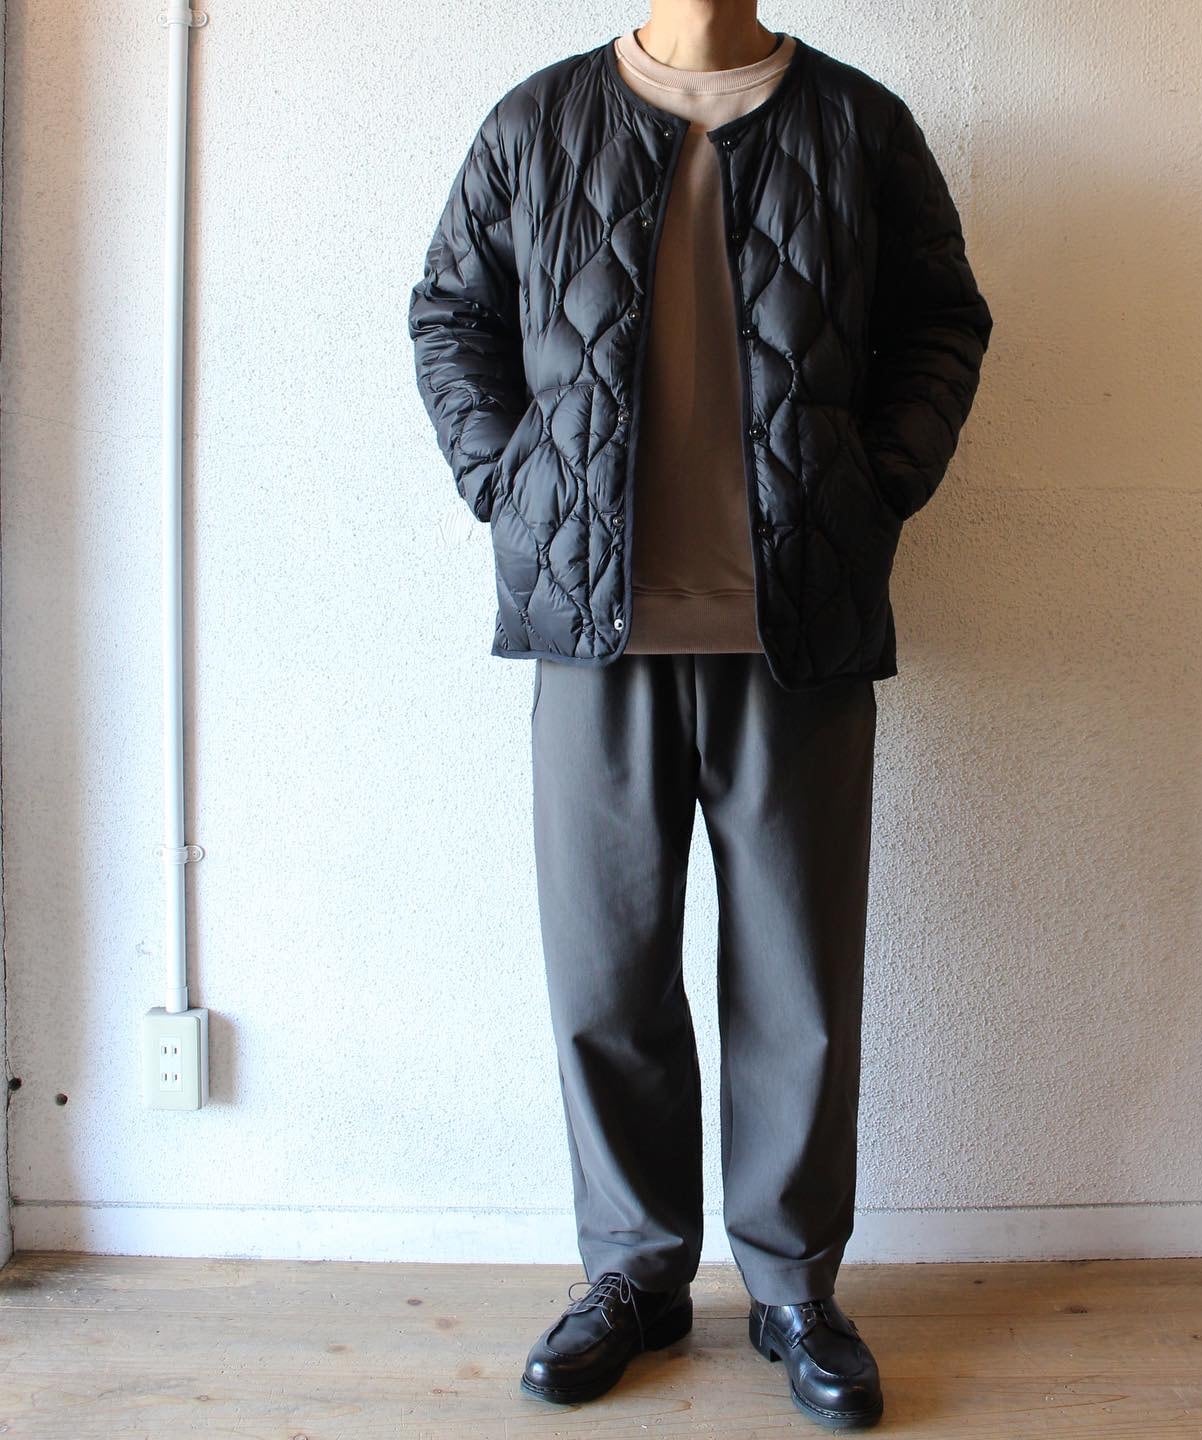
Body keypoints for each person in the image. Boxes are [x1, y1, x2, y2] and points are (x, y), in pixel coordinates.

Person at [408, 6, 992, 1429]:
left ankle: (794, 1288)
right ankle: (633, 1274)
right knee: (604, 974)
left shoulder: (858, 124)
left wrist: (874, 485)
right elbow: (450, 314)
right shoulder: (539, 122)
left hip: (796, 625)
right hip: (592, 628)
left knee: (800, 985)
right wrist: (513, 483)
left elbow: (942, 320)